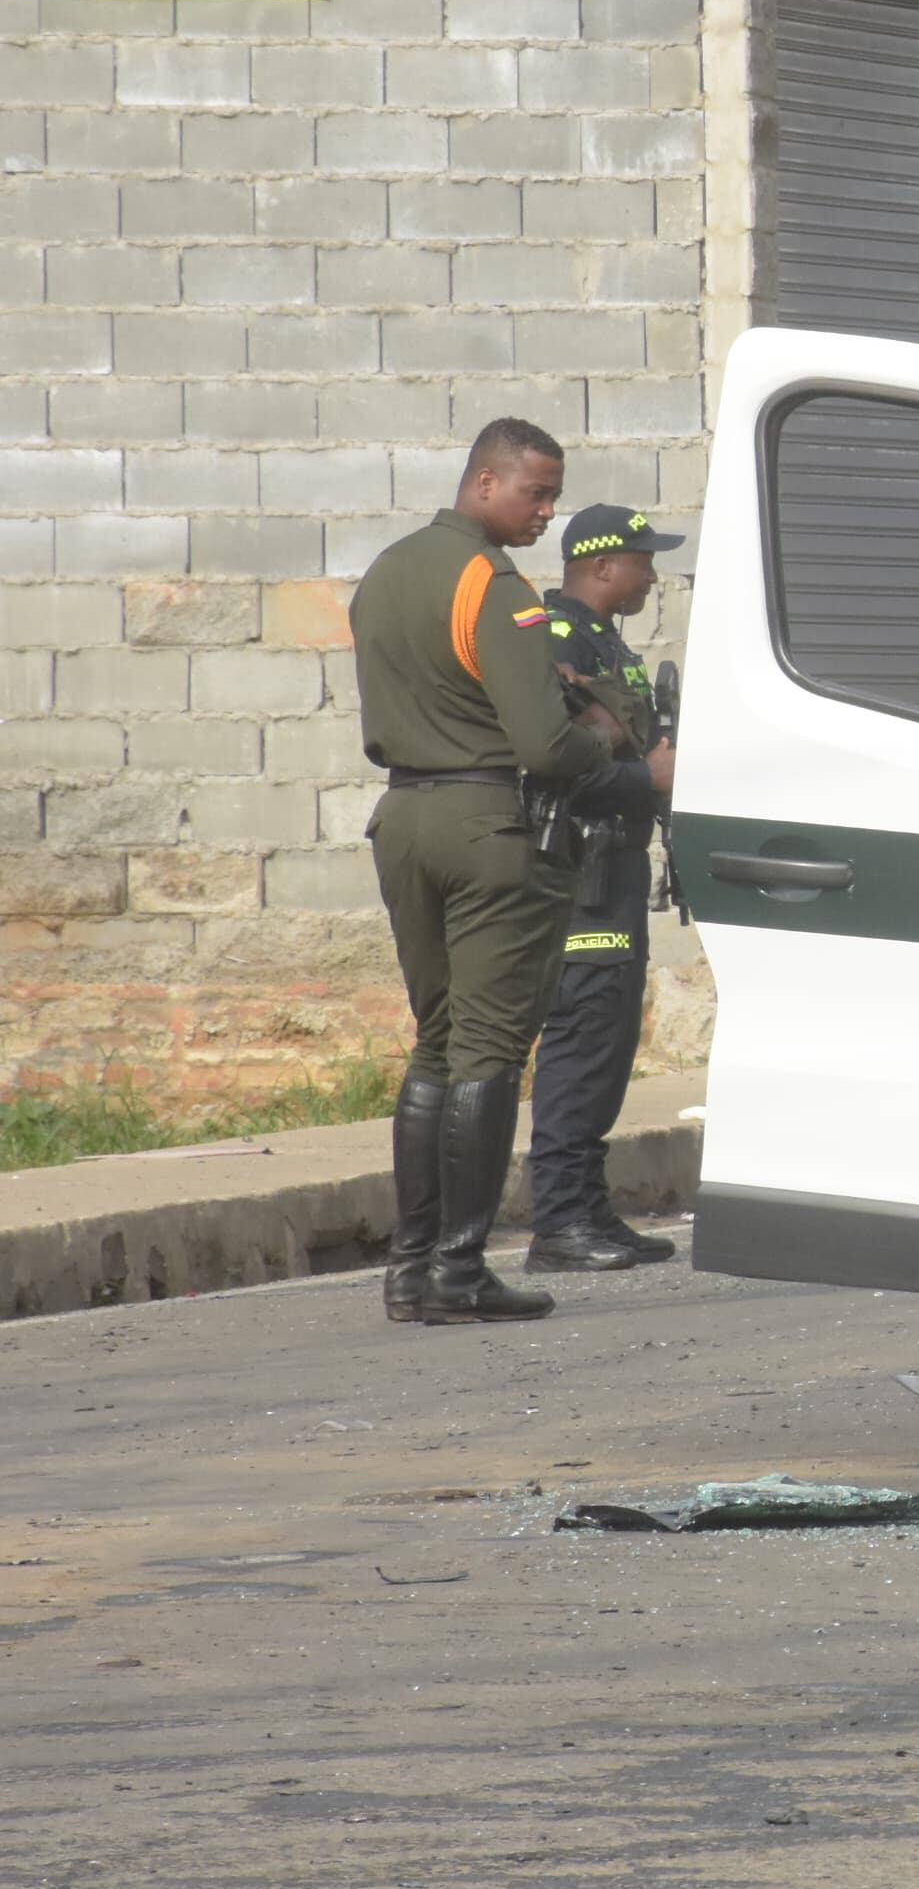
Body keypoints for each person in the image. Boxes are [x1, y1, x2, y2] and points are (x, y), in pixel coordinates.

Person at [349, 420, 660, 1327]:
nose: (546, 512)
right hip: (489, 823)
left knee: (436, 1042)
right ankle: (459, 1270)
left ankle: (412, 1269)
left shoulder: (387, 571)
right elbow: (544, 745)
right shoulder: (494, 584)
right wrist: (605, 732)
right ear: (485, 481)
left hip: (404, 814)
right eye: (536, 493)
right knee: (487, 1048)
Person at [522, 505, 686, 1272]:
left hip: (615, 864)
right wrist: (642, 774)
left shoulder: (604, 645)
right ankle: (557, 1220)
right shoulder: (555, 640)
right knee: (582, 1038)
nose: (652, 572)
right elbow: (549, 763)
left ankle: (587, 1208)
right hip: (579, 872)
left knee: (611, 1041)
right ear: (601, 564)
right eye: (643, 558)